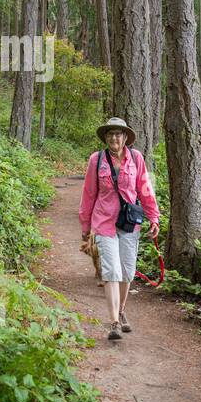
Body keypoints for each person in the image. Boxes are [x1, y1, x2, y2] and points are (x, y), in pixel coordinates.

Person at [78, 117, 160, 341]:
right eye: (110, 134)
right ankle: (114, 322)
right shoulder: (97, 160)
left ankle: (122, 310)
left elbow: (145, 188)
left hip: (129, 222)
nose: (114, 137)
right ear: (106, 137)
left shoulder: (136, 158)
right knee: (111, 271)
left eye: (118, 134)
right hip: (103, 221)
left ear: (125, 138)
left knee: (127, 271)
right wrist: (85, 226)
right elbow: (89, 194)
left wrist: (154, 217)